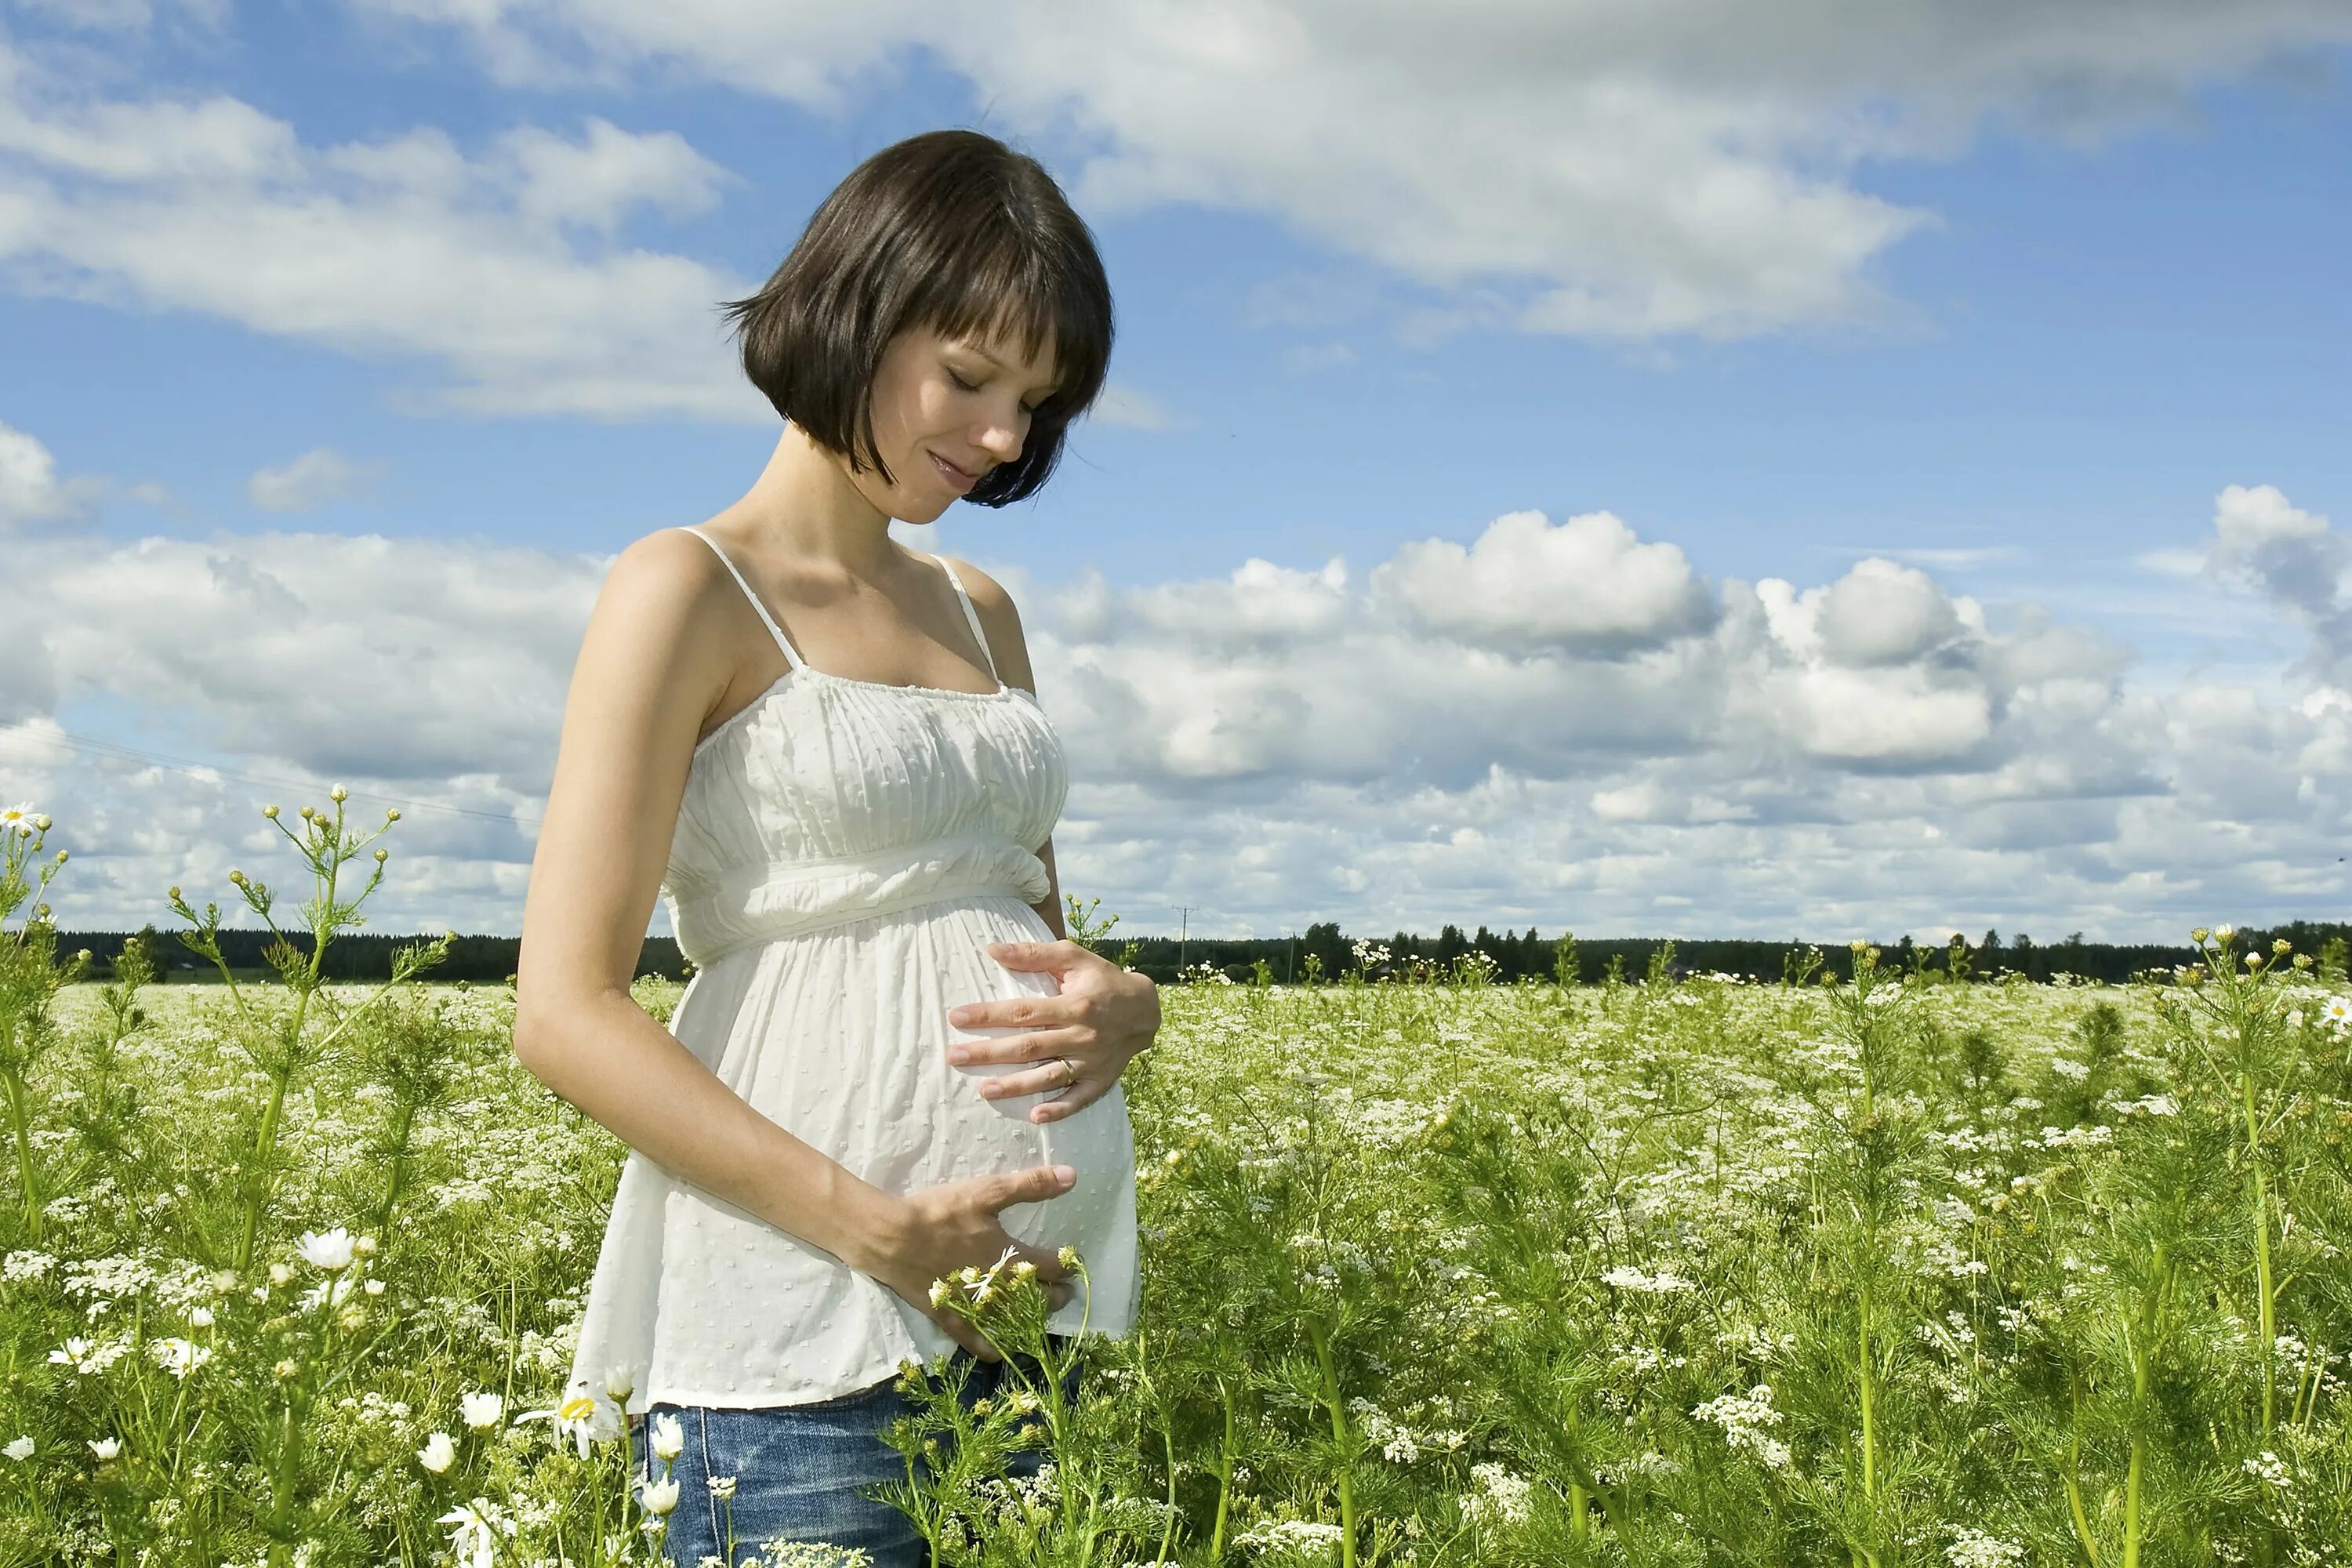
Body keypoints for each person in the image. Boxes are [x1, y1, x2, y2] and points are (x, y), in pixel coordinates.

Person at [512, 128, 1162, 1566]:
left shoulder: (985, 609)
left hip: (1033, 1308)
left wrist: (1126, 1004)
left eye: (1034, 405)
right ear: (854, 311)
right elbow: (562, 1014)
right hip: (805, 1327)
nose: (1003, 437)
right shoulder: (688, 587)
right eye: (972, 377)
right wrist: (877, 1232)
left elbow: (1024, 923)